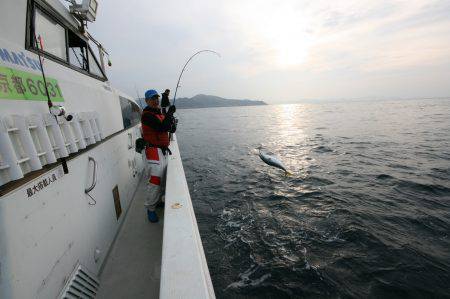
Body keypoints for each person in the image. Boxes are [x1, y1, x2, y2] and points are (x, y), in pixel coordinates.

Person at [141, 89, 176, 222]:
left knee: (162, 179)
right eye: (152, 98)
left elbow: (171, 129)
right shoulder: (147, 115)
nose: (156, 100)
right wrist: (170, 113)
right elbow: (162, 128)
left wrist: (170, 117)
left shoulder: (159, 114)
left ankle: (158, 201)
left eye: (157, 98)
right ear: (146, 101)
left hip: (162, 151)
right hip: (153, 152)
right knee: (155, 181)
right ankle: (150, 208)